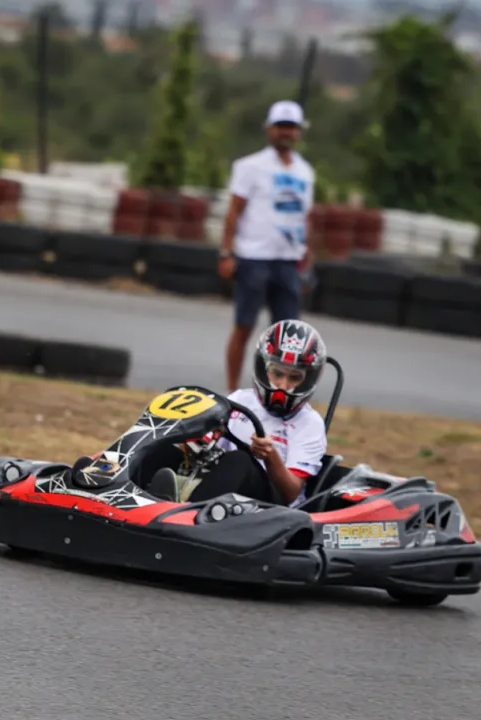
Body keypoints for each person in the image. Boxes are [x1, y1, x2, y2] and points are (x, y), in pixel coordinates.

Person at [148, 319, 329, 508]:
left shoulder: (310, 424)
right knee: (164, 446)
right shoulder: (240, 399)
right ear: (263, 369)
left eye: (294, 377)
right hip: (224, 493)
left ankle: (186, 513)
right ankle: (139, 499)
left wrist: (270, 457)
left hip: (272, 508)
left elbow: (290, 493)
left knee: (240, 460)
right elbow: (200, 446)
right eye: (277, 374)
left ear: (308, 379)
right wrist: (191, 437)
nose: (283, 386)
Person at [218, 100, 317, 393]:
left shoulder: (305, 171)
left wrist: (307, 252)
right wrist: (226, 252)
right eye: (280, 126)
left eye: (291, 127)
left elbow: (306, 216)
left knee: (287, 337)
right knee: (244, 326)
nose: (285, 132)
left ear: (299, 132)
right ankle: (232, 391)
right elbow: (233, 211)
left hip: (287, 261)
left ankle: (276, 394)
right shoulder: (250, 166)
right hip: (254, 258)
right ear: (269, 129)